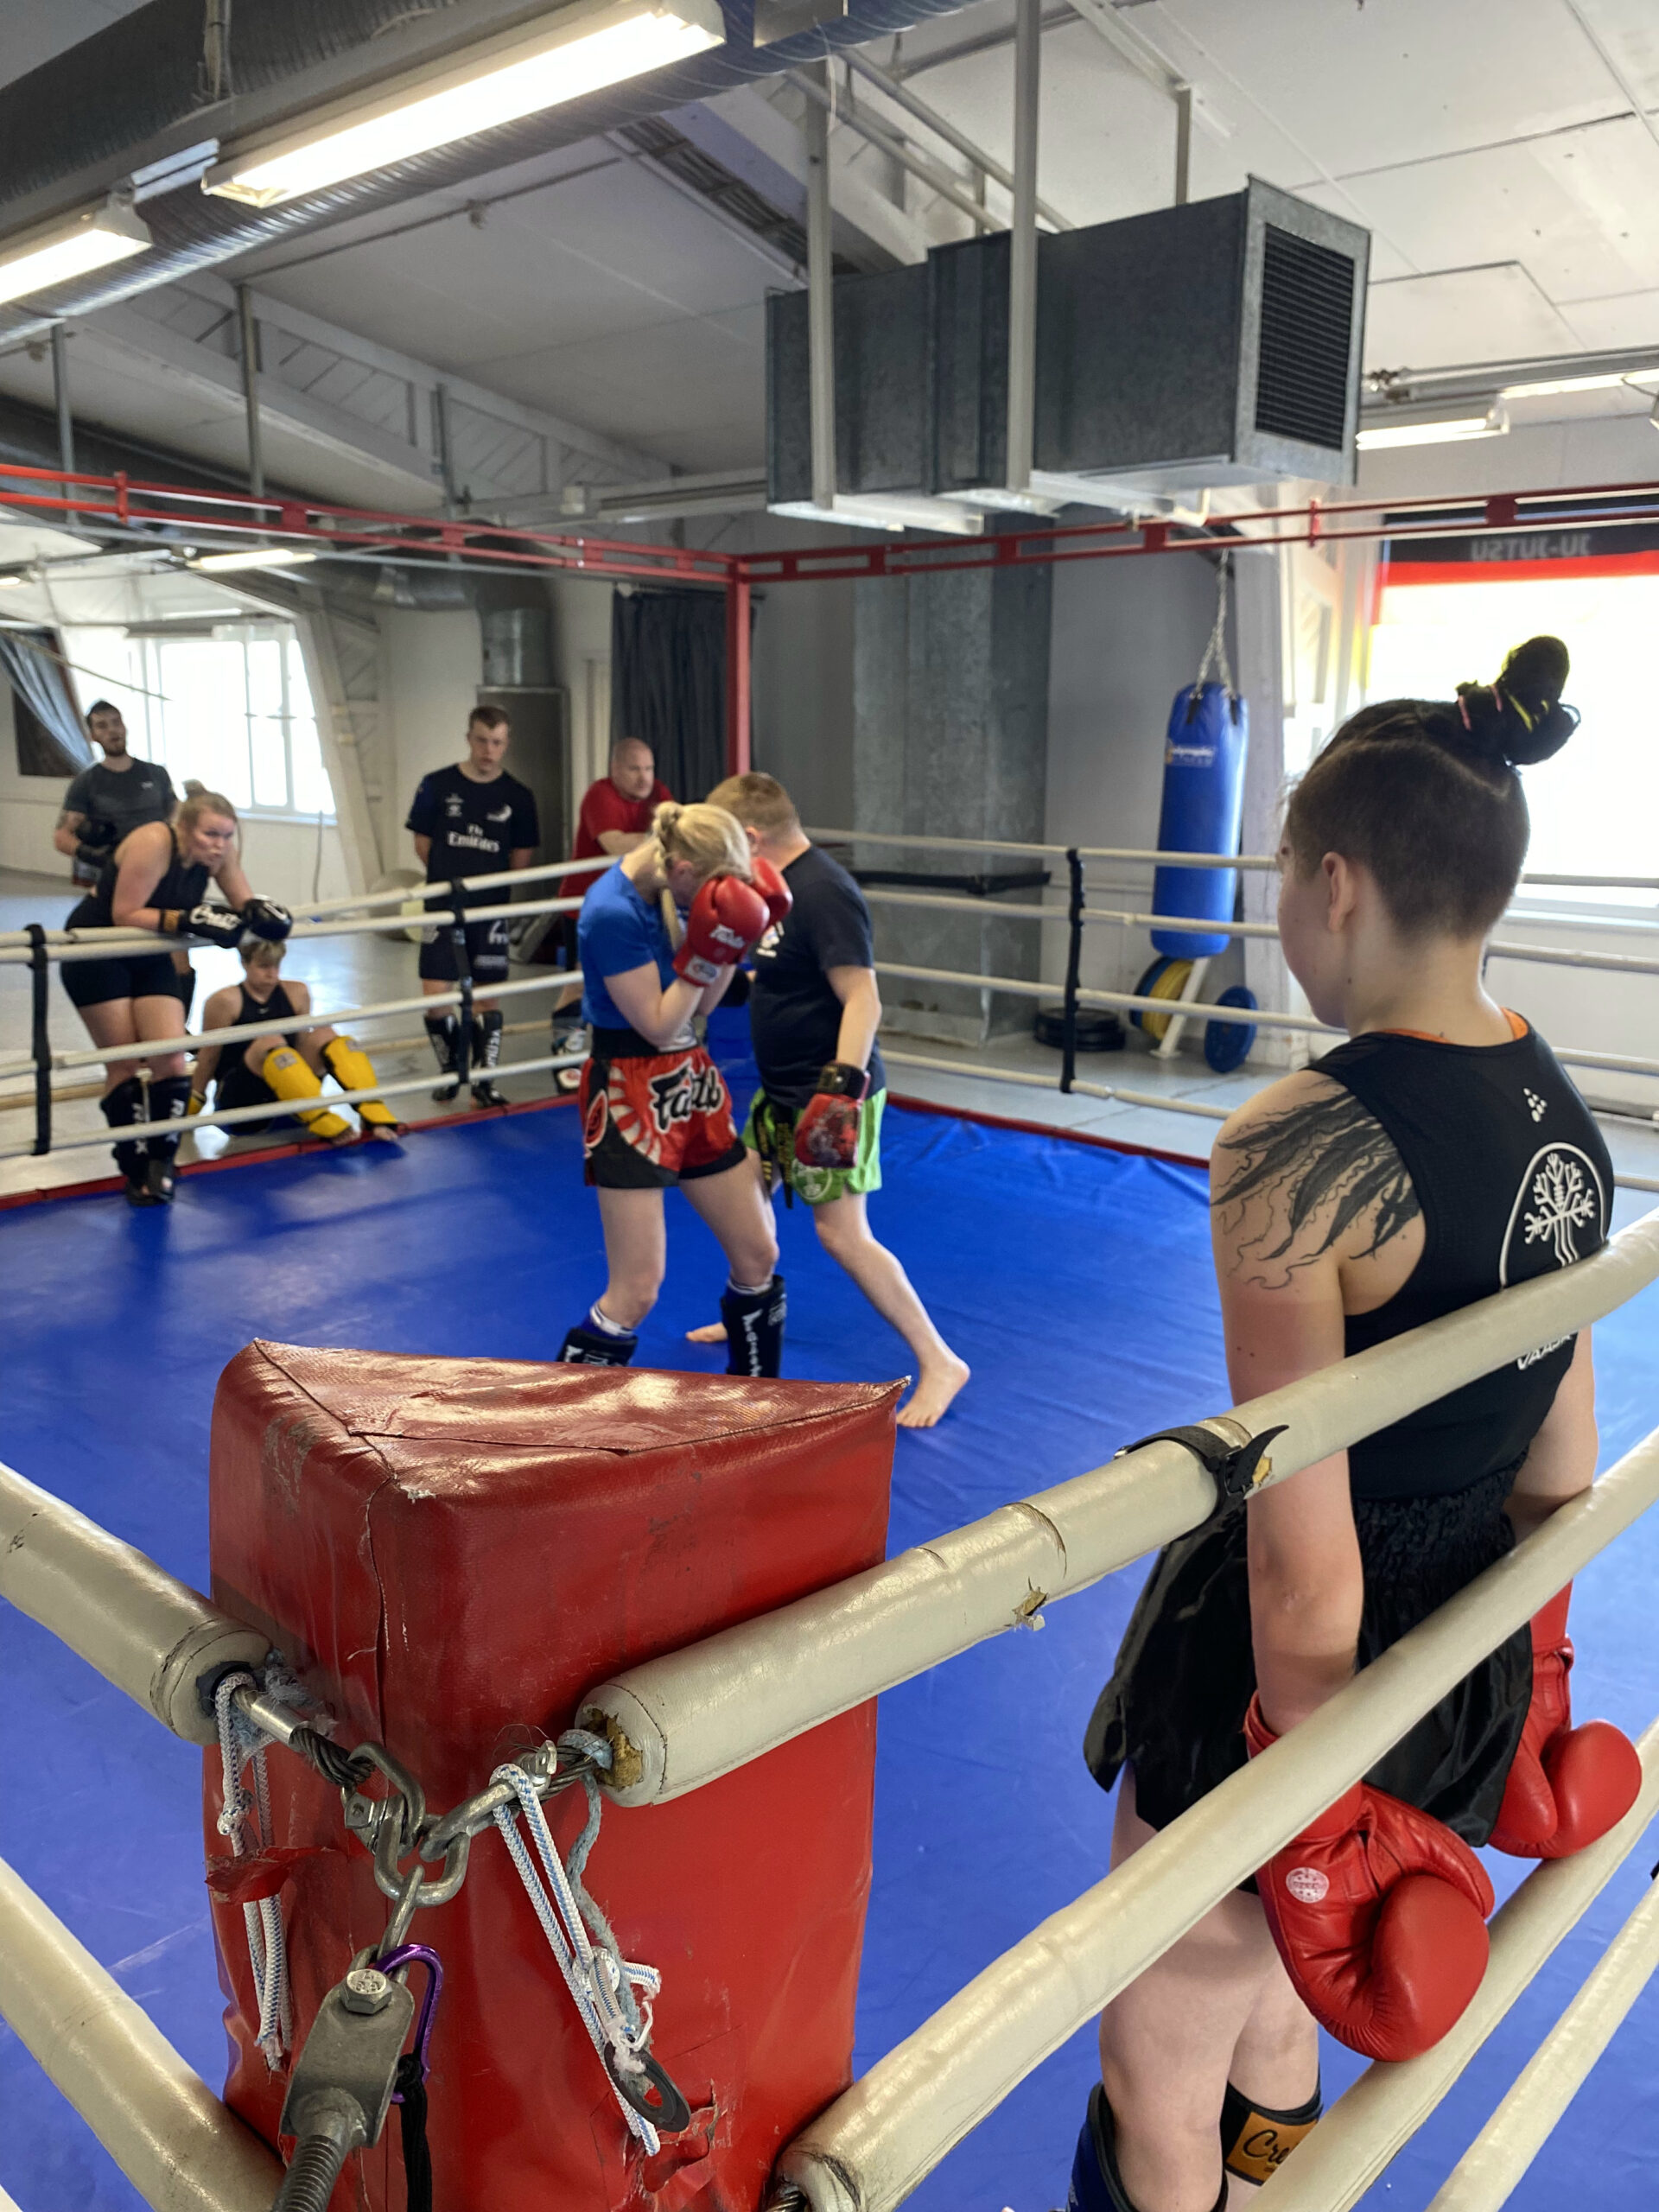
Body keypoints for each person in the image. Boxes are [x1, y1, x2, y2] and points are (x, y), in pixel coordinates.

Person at [1071, 639, 1642, 2212]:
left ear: (1336, 883)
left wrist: (1307, 1796)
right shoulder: (1563, 1112)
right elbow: (1561, 1456)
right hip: (1460, 1644)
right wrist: (1530, 1676)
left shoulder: (1297, 1145)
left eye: (1280, 877)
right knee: (1278, 1997)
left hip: (1291, 1682)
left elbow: (1300, 1546)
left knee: (1158, 2057)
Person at [687, 772, 970, 1428]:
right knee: (742, 1201)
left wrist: (838, 1091)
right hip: (779, 1091)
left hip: (828, 1092)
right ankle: (750, 1312)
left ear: (751, 836)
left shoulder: (821, 891)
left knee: (841, 1234)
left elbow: (863, 998)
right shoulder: (767, 890)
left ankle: (940, 1360)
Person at [557, 800, 788, 1376]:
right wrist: (708, 951)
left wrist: (730, 945)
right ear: (680, 869)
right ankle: (559, 1415)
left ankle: (756, 1396)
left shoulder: (688, 886)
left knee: (758, 1252)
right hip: (627, 1086)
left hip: (691, 1079)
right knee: (637, 1289)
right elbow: (658, 1024)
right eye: (709, 890)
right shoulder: (611, 913)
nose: (712, 900)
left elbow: (702, 1008)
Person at [60, 789, 291, 1206]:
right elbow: (125, 913)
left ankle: (161, 1162)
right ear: (184, 827)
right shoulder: (153, 842)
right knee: (125, 1062)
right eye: (210, 834)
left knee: (171, 1059)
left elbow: (242, 900)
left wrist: (264, 915)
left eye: (226, 835)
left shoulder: (221, 853)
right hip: (99, 949)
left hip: (151, 952)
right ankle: (134, 1165)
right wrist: (187, 919)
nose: (219, 845)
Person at [407, 705, 539, 1109]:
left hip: (490, 910)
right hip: (443, 905)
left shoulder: (518, 796)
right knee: (435, 996)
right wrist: (448, 876)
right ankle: (451, 1068)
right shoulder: (436, 784)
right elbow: (423, 843)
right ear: (469, 739)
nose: (488, 750)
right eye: (482, 740)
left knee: (487, 997)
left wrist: (493, 891)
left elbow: (521, 855)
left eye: (496, 742)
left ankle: (484, 1081)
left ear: (506, 744)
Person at [54, 702, 194, 1014]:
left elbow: (176, 814)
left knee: (177, 955)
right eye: (102, 726)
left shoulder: (155, 774)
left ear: (125, 726)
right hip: (115, 886)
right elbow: (62, 837)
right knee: (123, 953)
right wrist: (99, 856)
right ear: (93, 735)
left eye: (116, 722)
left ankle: (178, 1029)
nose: (112, 731)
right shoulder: (87, 783)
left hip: (161, 881)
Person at [550, 736, 674, 1087]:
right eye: (634, 769)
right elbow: (614, 844)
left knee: (642, 978)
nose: (644, 777)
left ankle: (635, 1059)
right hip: (584, 905)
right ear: (615, 769)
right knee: (579, 983)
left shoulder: (659, 792)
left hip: (635, 906)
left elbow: (675, 833)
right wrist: (659, 837)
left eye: (648, 768)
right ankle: (565, 1060)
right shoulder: (600, 794)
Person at [192, 940, 404, 1147]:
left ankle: (373, 1114)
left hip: (291, 1103)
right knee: (270, 1040)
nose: (272, 973)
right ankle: (321, 1119)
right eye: (263, 966)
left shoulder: (297, 993)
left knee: (325, 1034)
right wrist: (192, 1104)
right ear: (244, 963)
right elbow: (208, 1056)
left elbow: (303, 1047)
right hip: (243, 1108)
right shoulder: (225, 1001)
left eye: (276, 965)